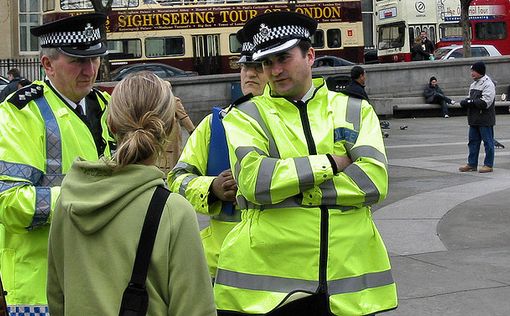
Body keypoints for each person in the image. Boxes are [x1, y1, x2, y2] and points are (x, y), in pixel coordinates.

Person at [214, 11, 397, 316]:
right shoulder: (246, 115)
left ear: (310, 55)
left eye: (283, 58)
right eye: (266, 62)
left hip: (347, 288)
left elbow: (373, 182)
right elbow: (256, 183)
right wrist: (331, 163)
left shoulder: (354, 109)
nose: (274, 70)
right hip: (270, 294)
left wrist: (291, 186)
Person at [46, 72, 216, 316]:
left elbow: (57, 297)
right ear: (169, 128)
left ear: (110, 124)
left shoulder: (68, 200)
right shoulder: (173, 211)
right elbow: (195, 309)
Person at [0, 13, 113, 315]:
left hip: (98, 280)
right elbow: (8, 202)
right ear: (47, 64)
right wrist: (85, 198)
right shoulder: (19, 114)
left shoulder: (105, 108)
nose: (90, 70)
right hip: (39, 286)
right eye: (77, 60)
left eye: (95, 59)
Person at [168, 30, 268, 278]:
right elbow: (177, 179)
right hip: (221, 264)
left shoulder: (296, 124)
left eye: (259, 66)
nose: (250, 73)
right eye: (245, 66)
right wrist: (212, 188)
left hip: (278, 264)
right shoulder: (214, 125)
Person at [459, 61, 496, 173]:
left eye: (474, 71)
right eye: (472, 70)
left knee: (488, 142)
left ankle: (488, 164)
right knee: (472, 142)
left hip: (485, 119)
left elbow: (486, 102)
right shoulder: (473, 84)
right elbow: (471, 98)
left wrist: (469, 102)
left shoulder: (488, 84)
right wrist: (466, 101)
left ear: (480, 71)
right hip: (474, 118)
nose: (472, 73)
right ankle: (472, 164)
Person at [157, 97, 195, 174]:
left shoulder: (156, 100)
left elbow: (184, 117)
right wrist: (193, 131)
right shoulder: (173, 101)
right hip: (169, 132)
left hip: (161, 131)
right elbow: (184, 117)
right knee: (171, 154)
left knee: (165, 153)